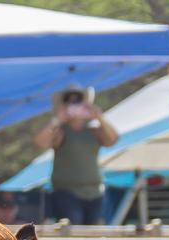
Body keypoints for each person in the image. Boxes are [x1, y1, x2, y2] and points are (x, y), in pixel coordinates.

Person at [32, 87, 118, 225]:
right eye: (69, 103)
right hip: (66, 192)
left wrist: (100, 117)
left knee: (96, 233)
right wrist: (57, 120)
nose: (74, 107)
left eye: (78, 102)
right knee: (72, 228)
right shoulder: (60, 131)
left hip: (95, 192)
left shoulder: (94, 130)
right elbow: (39, 142)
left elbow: (112, 140)